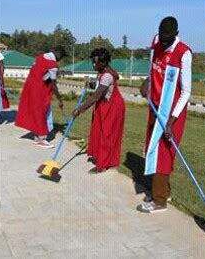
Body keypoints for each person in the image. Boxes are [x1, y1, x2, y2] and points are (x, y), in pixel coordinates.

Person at [137, 16, 192, 213]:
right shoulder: (155, 41)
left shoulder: (183, 54)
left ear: (176, 34)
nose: (162, 41)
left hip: (172, 113)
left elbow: (186, 92)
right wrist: (146, 82)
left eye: (167, 38)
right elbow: (152, 68)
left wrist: (172, 121)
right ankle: (164, 191)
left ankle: (159, 201)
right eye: (161, 36)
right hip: (155, 106)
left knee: (163, 154)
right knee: (152, 148)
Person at [72, 48, 126, 173]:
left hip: (113, 107)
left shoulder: (107, 75)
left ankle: (102, 165)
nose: (93, 64)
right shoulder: (102, 71)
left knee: (106, 134)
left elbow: (96, 96)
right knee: (99, 132)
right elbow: (100, 86)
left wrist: (79, 109)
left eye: (95, 62)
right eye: (93, 62)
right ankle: (100, 156)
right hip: (104, 105)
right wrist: (90, 84)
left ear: (103, 62)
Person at [15, 46, 65, 148]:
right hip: (41, 91)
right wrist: (60, 99)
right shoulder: (53, 65)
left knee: (36, 112)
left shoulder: (40, 57)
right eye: (61, 57)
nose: (60, 59)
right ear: (58, 54)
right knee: (41, 113)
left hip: (30, 88)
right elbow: (53, 84)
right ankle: (42, 139)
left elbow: (42, 75)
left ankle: (37, 136)